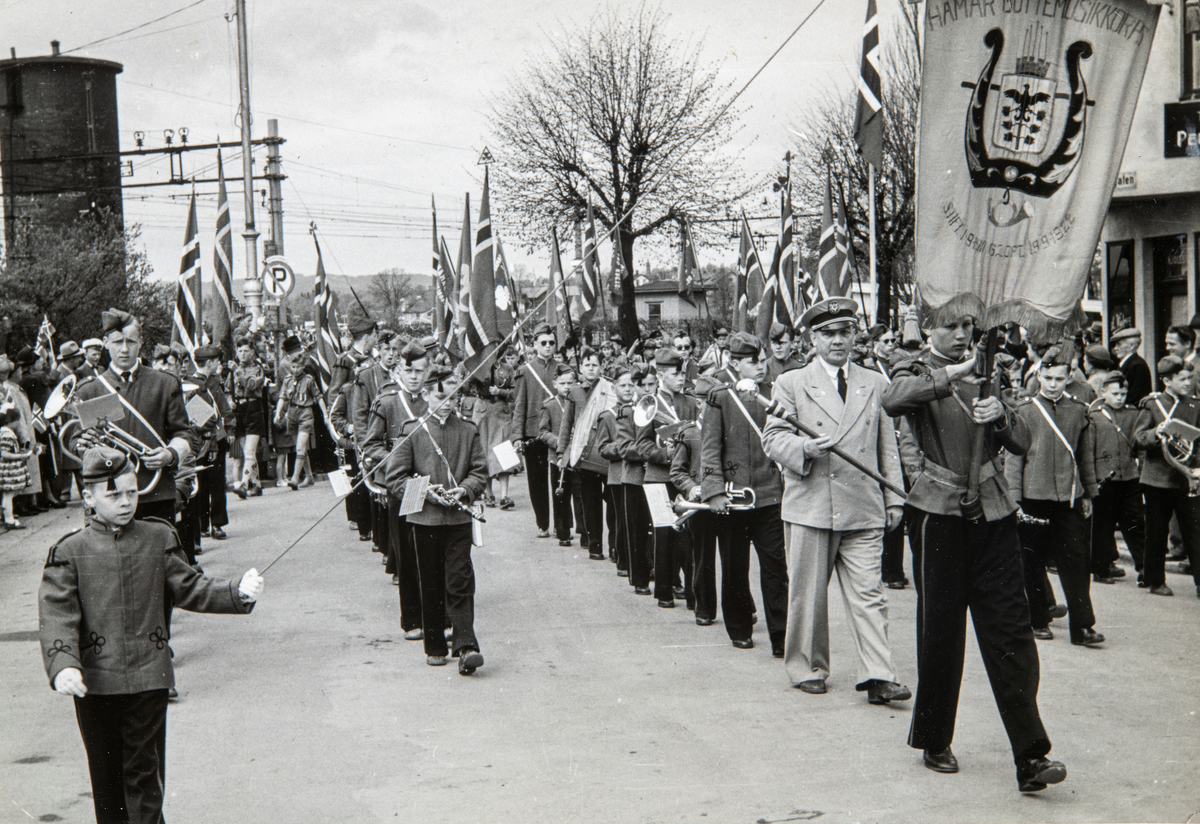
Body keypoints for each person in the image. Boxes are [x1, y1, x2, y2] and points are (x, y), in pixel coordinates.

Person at [883, 314, 1065, 793]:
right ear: (927, 329)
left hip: (994, 511)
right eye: (949, 326)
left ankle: (1031, 755)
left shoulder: (996, 373)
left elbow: (1023, 439)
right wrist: (957, 374)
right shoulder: (912, 367)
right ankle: (934, 737)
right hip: (938, 513)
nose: (962, 334)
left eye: (967, 325)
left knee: (1012, 632)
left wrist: (1000, 417)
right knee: (941, 632)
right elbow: (893, 400)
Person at [38, 446, 262, 824]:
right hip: (95, 682)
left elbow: (191, 587)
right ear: (88, 496)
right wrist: (63, 665)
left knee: (144, 776)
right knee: (107, 782)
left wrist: (235, 591)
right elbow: (58, 614)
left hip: (148, 677)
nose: (126, 502)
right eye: (114, 495)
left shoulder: (157, 537)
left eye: (132, 492)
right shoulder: (69, 552)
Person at [762, 300, 909, 704]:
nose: (839, 340)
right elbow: (772, 439)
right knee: (808, 595)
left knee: (870, 594)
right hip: (811, 504)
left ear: (855, 336)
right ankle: (807, 666)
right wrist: (806, 446)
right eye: (828, 333)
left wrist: (894, 497)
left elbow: (888, 448)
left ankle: (879, 675)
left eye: (845, 332)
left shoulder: (875, 383)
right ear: (813, 339)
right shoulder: (791, 383)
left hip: (863, 505)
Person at [382, 364, 487, 674]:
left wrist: (465, 490)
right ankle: (435, 645)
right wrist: (426, 491)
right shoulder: (411, 429)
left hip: (457, 519)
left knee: (460, 579)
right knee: (430, 580)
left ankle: (466, 645)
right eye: (440, 396)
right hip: (425, 520)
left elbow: (480, 471)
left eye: (452, 396)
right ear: (425, 395)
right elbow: (395, 480)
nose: (446, 402)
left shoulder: (468, 429)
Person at [1006, 344, 1104, 646]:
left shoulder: (1079, 411)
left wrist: (1089, 492)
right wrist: (1015, 499)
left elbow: (1084, 455)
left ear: (1068, 378)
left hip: (1069, 498)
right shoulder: (1024, 412)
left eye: (1059, 380)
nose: (1052, 385)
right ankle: (1038, 619)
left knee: (1076, 562)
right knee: (1031, 561)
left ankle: (1082, 626)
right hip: (1034, 497)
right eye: (1047, 379)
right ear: (1039, 376)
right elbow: (1014, 459)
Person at [65, 309, 196, 523]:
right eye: (117, 342)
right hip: (109, 496)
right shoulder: (91, 390)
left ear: (141, 342)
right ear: (106, 342)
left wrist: (170, 454)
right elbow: (78, 443)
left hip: (156, 492)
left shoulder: (164, 383)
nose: (124, 349)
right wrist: (81, 445)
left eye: (131, 342)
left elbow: (184, 433)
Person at [701, 333, 788, 652]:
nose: (762, 366)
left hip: (769, 495)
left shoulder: (774, 392)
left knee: (776, 567)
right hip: (734, 497)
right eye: (753, 361)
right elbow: (710, 448)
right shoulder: (720, 396)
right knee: (735, 567)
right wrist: (713, 492)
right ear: (734, 364)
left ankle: (782, 634)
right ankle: (739, 628)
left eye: (763, 359)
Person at [364, 338, 429, 630]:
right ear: (399, 371)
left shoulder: (433, 403)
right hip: (402, 487)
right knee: (405, 553)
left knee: (430, 552)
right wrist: (397, 461)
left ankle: (437, 616)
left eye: (420, 370)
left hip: (429, 486)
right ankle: (412, 619)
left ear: (427, 372)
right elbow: (370, 446)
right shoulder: (388, 403)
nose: (414, 376)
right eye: (409, 370)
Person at [1131, 355, 1200, 598]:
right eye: (1183, 379)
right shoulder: (1152, 404)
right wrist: (1156, 432)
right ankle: (1155, 580)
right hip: (1157, 478)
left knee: (1195, 529)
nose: (1188, 383)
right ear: (1166, 381)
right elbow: (1137, 438)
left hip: (1185, 476)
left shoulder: (1194, 404)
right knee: (1157, 531)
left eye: (1190, 378)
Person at [637, 347, 698, 607]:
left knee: (688, 536)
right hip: (658, 477)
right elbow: (642, 446)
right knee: (663, 535)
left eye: (682, 372)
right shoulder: (648, 403)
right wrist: (664, 453)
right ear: (661, 375)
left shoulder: (690, 402)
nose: (681, 377)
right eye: (675, 374)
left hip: (683, 478)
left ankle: (694, 593)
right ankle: (663, 591)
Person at [1088, 372, 1144, 584]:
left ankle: (1145, 568)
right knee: (1103, 525)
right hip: (1105, 478)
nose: (1120, 398)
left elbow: (1138, 444)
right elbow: (1089, 448)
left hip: (1129, 476)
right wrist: (1092, 478)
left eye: (1123, 393)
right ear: (1103, 392)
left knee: (1135, 522)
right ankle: (1101, 569)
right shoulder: (1094, 415)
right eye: (1115, 393)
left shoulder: (1133, 413)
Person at [327, 315, 379, 542]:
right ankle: (358, 518)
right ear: (367, 336)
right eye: (375, 336)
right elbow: (335, 395)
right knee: (354, 474)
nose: (376, 341)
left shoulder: (373, 359)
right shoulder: (345, 360)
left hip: (371, 426)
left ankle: (367, 518)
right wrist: (342, 426)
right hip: (351, 427)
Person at [558, 348, 609, 560]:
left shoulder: (607, 389)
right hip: (583, 453)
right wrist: (562, 452)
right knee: (589, 501)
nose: (591, 368)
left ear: (601, 367)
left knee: (613, 503)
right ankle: (594, 544)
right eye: (587, 365)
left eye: (595, 365)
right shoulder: (575, 392)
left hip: (605, 453)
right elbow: (566, 423)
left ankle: (615, 546)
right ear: (580, 368)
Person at [511, 323, 562, 537]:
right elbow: (519, 405)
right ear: (535, 344)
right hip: (533, 431)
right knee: (537, 480)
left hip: (558, 431)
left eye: (552, 343)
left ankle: (562, 524)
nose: (548, 347)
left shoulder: (562, 368)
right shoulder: (525, 370)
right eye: (544, 343)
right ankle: (543, 523)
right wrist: (517, 436)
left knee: (559, 480)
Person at [596, 363, 635, 575]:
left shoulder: (642, 411)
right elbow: (602, 448)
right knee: (621, 519)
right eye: (623, 385)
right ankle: (622, 559)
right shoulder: (608, 415)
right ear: (614, 388)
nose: (628, 389)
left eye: (631, 385)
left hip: (638, 474)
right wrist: (622, 448)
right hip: (618, 475)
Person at [538, 363, 576, 546]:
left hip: (576, 456)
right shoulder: (550, 405)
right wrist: (560, 442)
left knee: (577, 495)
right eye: (563, 383)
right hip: (557, 458)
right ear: (555, 384)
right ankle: (563, 533)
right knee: (560, 495)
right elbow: (543, 432)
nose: (567, 387)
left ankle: (582, 530)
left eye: (571, 383)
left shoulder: (579, 403)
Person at [275, 336, 320, 490]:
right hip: (294, 408)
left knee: (300, 446)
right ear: (293, 350)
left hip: (303, 408)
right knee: (299, 445)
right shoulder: (286, 365)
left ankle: (299, 477)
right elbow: (290, 388)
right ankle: (306, 476)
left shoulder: (292, 361)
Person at [230, 337, 267, 498]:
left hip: (253, 408)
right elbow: (227, 388)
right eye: (239, 351)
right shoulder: (233, 369)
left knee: (250, 451)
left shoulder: (257, 369)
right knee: (246, 452)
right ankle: (256, 484)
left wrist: (238, 371)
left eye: (246, 350)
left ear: (252, 352)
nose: (242, 354)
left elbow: (252, 385)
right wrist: (229, 400)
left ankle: (244, 485)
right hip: (239, 409)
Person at [1, 398, 33, 529]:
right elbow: (3, 453)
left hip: (9, 470)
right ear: (10, 421)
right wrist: (21, 456)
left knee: (8, 495)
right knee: (8, 495)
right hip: (8, 470)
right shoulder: (6, 434)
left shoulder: (4, 432)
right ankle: (9, 519)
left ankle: (7, 514)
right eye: (16, 421)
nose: (18, 424)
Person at [1112, 327, 1152, 406]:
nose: (1115, 348)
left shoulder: (1137, 365)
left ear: (1131, 346)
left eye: (1119, 344)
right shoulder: (1129, 363)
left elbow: (1134, 397)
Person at [764, 322, 802, 390]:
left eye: (782, 343)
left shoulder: (799, 367)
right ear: (770, 345)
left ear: (792, 343)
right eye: (774, 343)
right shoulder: (765, 367)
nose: (778, 347)